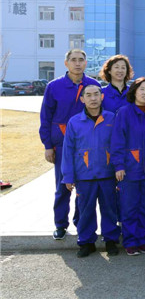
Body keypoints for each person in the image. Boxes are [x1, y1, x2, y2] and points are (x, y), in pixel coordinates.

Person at [39, 49, 101, 240]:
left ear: (86, 63)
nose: (77, 63)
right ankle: (60, 224)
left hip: (87, 146)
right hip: (61, 145)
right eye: (73, 60)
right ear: (66, 63)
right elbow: (45, 117)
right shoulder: (54, 86)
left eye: (81, 60)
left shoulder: (93, 85)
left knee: (84, 188)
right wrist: (47, 145)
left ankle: (80, 221)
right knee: (63, 186)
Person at [61, 84, 120, 257]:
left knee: (110, 209)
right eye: (88, 95)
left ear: (102, 97)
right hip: (84, 175)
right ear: (82, 99)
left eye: (96, 94)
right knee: (85, 210)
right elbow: (68, 151)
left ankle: (110, 240)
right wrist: (68, 176)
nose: (93, 98)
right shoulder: (74, 122)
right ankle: (87, 242)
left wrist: (119, 168)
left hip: (107, 174)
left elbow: (118, 145)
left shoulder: (112, 118)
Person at [110, 78, 145, 256]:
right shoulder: (124, 112)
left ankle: (142, 240)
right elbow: (117, 140)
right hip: (129, 169)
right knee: (129, 207)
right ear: (134, 91)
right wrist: (119, 165)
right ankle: (130, 241)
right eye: (141, 89)